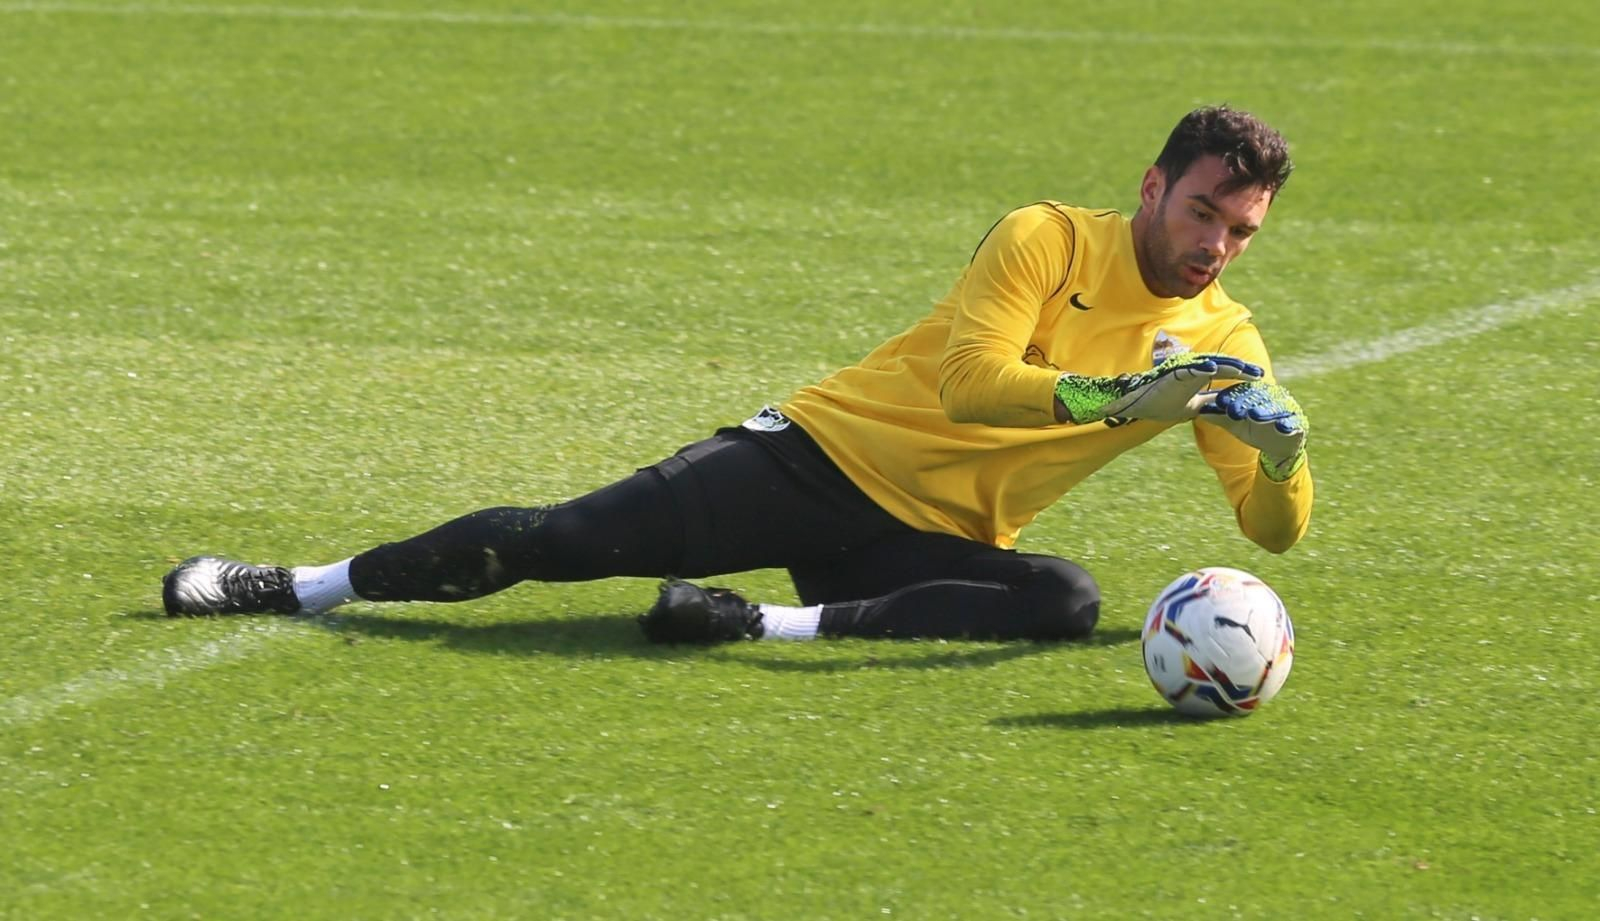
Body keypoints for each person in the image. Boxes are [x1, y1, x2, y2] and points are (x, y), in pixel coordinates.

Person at [163, 104, 1313, 644]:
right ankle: (298, 584)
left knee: (1061, 601)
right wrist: (1118, 399)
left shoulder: (1226, 343)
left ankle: (755, 621)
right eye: (1201, 211)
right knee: (563, 541)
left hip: (925, 536)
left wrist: (1279, 461)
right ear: (1152, 187)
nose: (1214, 244)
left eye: (1239, 230)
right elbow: (972, 384)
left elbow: (1269, 536)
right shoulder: (1046, 238)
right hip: (815, 460)